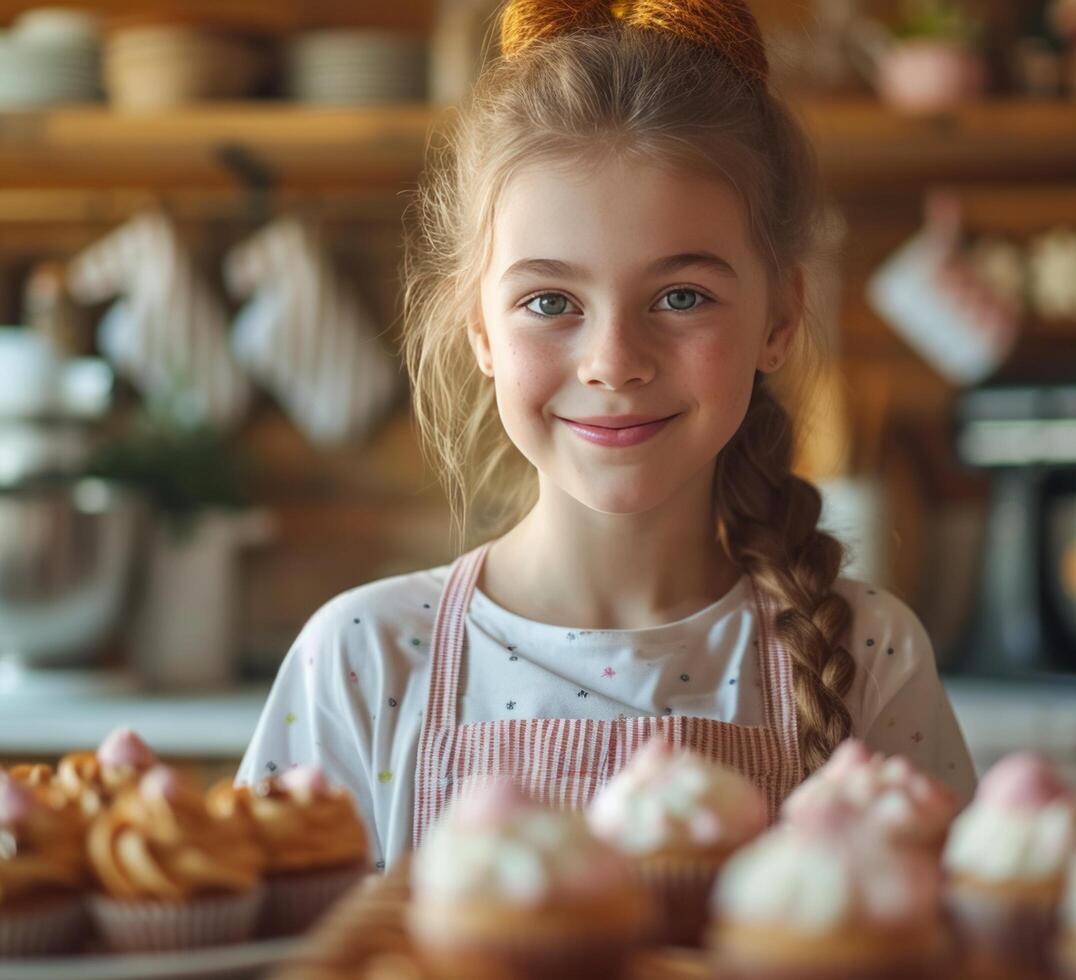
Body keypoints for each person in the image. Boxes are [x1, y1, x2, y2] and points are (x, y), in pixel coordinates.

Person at [239, 0, 973, 867]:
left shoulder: (868, 656)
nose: (613, 362)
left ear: (779, 316)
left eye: (681, 297)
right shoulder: (362, 661)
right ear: (480, 329)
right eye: (550, 303)